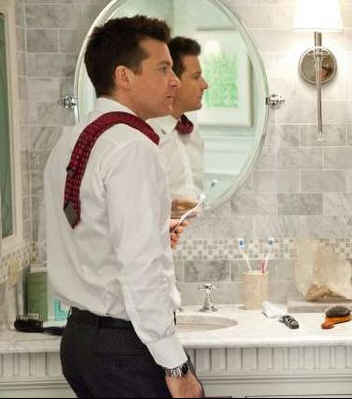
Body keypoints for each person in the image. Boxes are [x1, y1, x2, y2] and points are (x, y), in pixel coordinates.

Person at [44, 16, 204, 397]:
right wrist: (175, 365)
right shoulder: (134, 148)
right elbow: (141, 269)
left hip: (81, 344)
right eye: (163, 68)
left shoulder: (72, 140)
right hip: (126, 348)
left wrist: (155, 233)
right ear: (124, 76)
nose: (175, 81)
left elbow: (83, 234)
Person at [149, 36, 209, 205]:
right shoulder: (146, 138)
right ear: (172, 80)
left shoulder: (193, 134)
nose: (205, 85)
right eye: (196, 77)